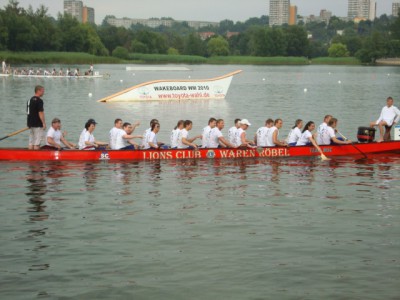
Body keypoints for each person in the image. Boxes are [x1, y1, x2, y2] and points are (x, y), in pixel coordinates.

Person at [27, 85, 46, 150]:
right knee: (37, 143)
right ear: (38, 91)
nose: (43, 92)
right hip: (38, 124)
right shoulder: (39, 101)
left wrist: (29, 123)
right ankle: (36, 159)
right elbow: (40, 112)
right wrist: (43, 123)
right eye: (42, 91)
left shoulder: (29, 100)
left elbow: (28, 113)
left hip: (30, 124)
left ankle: (30, 157)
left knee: (31, 142)